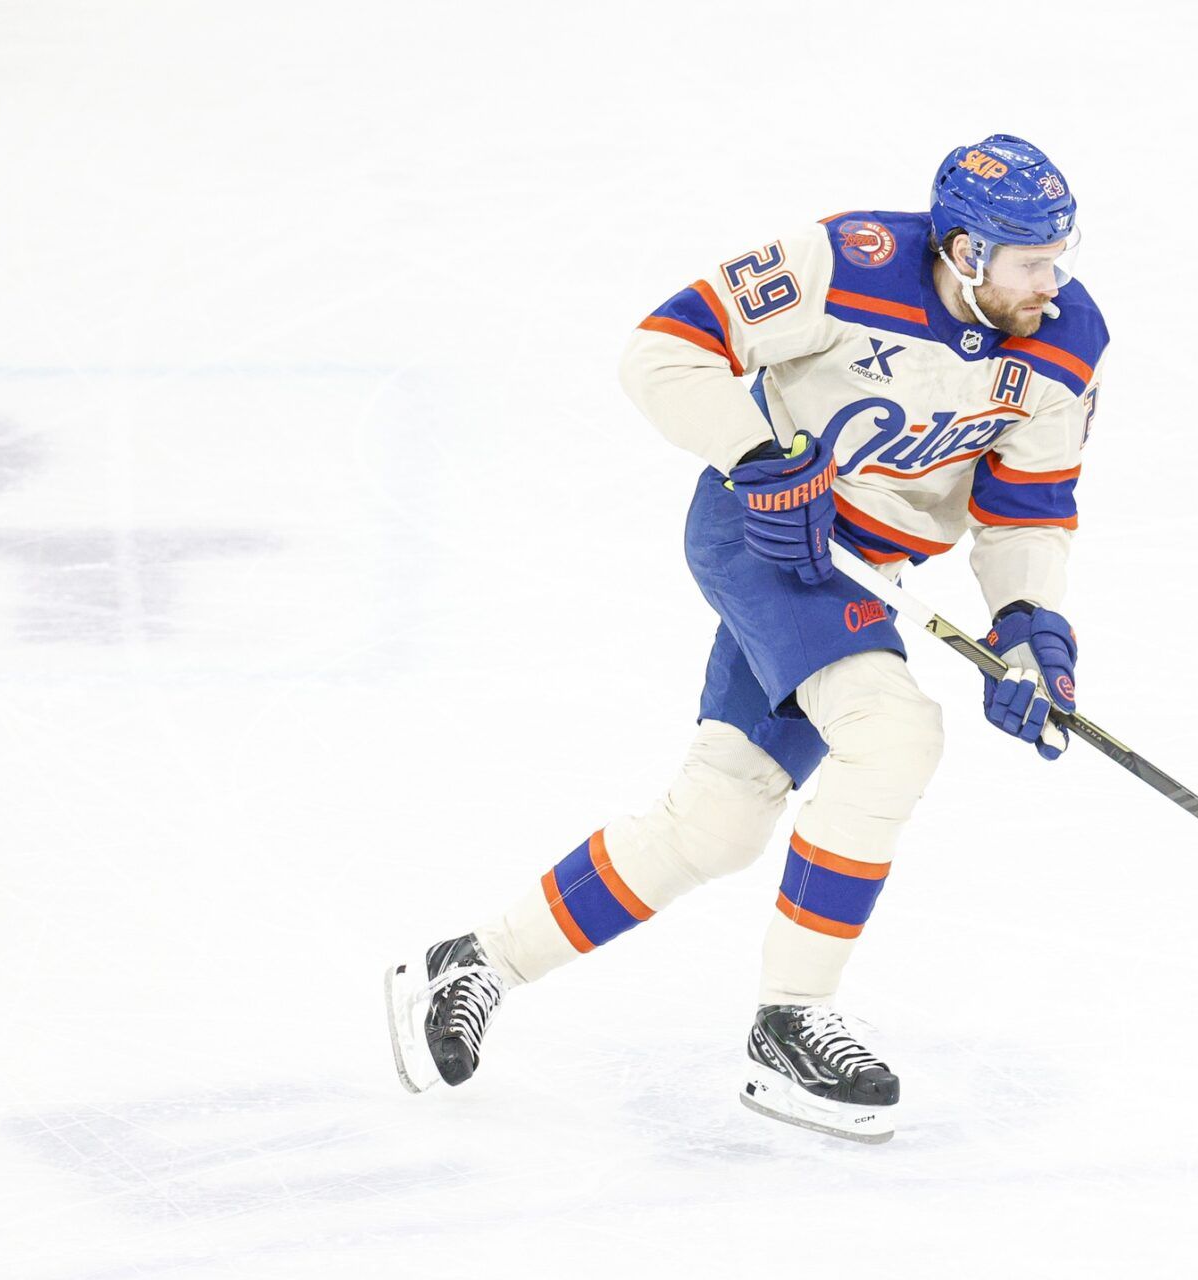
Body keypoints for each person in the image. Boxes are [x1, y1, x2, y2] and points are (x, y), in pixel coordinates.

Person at [383, 134, 1108, 1144]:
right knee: (893, 735)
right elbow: (663, 349)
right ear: (968, 254)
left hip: (866, 575)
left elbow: (1027, 508)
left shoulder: (1066, 342)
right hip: (762, 532)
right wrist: (760, 455)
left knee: (717, 819)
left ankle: (474, 961)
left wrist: (1030, 630)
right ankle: (793, 1020)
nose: (1054, 280)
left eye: (1059, 254)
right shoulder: (840, 262)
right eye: (1033, 260)